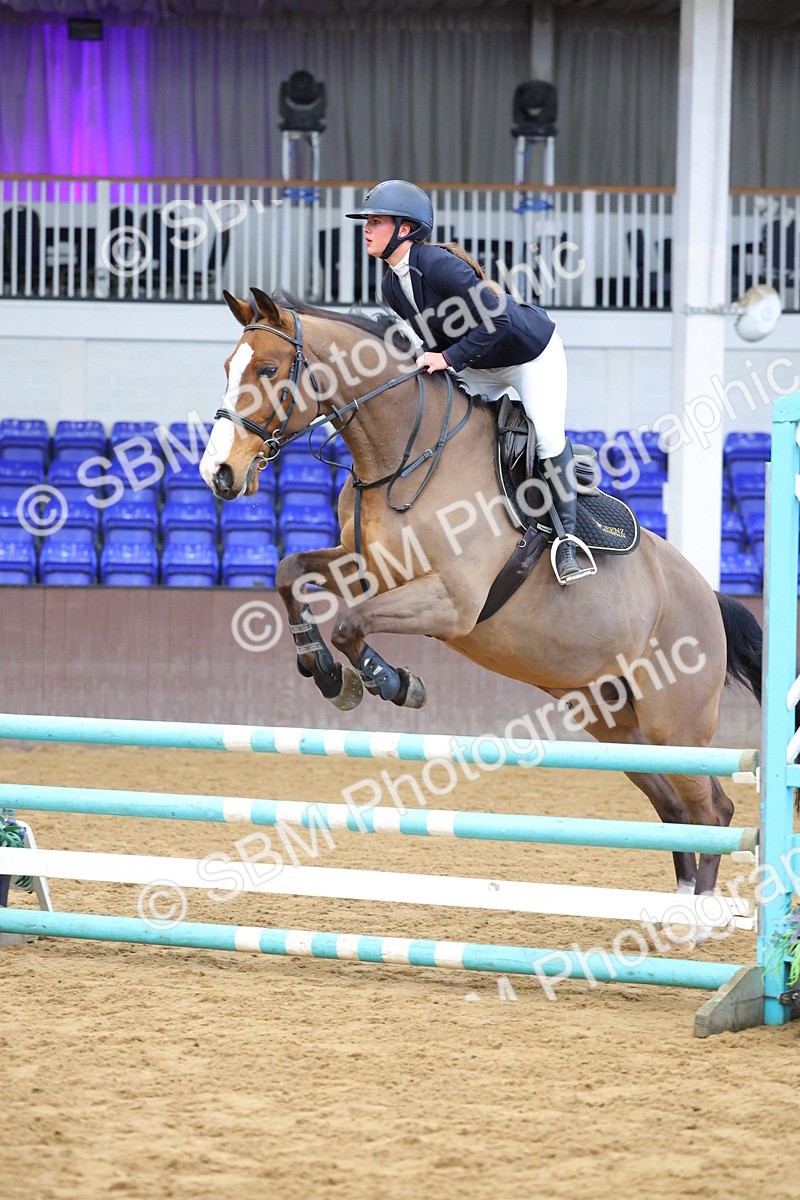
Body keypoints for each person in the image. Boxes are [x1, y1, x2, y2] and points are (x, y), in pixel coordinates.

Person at [346, 179, 594, 586]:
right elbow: (431, 340)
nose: (366, 228)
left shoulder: (438, 264)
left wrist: (446, 359)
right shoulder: (391, 284)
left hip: (529, 355)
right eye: (367, 222)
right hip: (478, 363)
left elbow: (496, 321)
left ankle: (568, 541)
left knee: (547, 437)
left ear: (405, 229)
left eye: (376, 221)